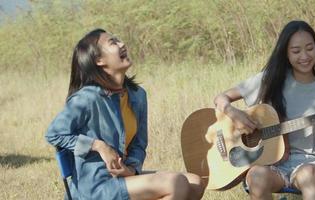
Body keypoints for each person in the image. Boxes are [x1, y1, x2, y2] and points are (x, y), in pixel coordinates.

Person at [45, 28, 205, 200]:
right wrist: (99, 146)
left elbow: (139, 144)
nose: (122, 44)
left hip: (122, 178)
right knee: (175, 183)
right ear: (98, 60)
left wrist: (132, 170)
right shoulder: (87, 98)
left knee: (195, 182)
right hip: (94, 186)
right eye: (113, 42)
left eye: (119, 40)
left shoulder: (137, 95)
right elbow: (54, 134)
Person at [214, 20, 315, 200]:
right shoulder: (270, 79)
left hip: (310, 163)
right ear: (285, 53)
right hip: (270, 162)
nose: (304, 56)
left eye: (310, 48)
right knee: (257, 176)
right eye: (296, 51)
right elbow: (220, 98)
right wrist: (234, 112)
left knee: (308, 174)